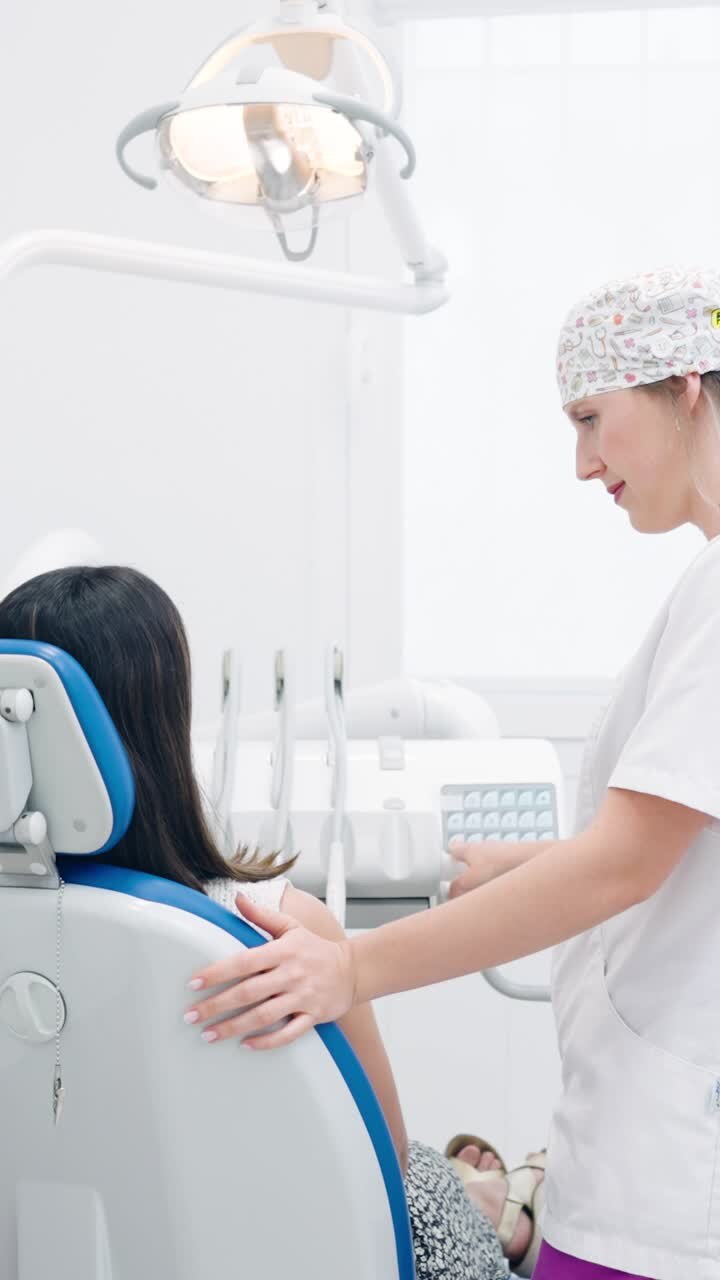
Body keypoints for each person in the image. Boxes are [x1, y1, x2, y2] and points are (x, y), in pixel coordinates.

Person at [186, 266, 720, 1280]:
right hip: (636, 1160)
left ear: (684, 384)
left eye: (591, 418)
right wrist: (548, 860)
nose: (581, 461)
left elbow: (627, 865)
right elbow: (661, 844)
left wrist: (352, 969)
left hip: (666, 1182)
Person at [0, 564, 546, 1280]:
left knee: (438, 1177)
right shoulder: (284, 930)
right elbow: (383, 1159)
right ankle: (504, 1205)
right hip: (326, 1251)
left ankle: (494, 1199)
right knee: (428, 1177)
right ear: (163, 720)